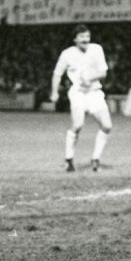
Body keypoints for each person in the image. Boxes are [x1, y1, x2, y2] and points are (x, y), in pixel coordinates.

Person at [50, 24, 112, 172]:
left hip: (94, 92)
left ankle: (95, 159)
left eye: (87, 37)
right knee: (77, 125)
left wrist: (91, 77)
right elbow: (57, 73)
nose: (86, 40)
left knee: (107, 126)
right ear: (75, 39)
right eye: (82, 37)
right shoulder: (67, 54)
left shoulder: (97, 49)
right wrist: (54, 92)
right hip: (78, 93)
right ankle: (69, 159)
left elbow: (103, 73)